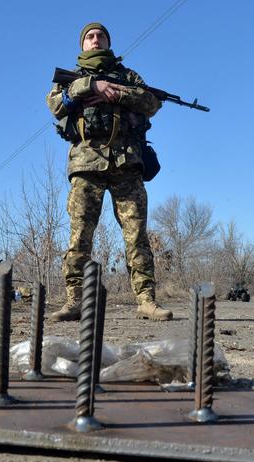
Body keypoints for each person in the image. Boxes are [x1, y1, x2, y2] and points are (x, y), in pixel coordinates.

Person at [46, 22, 173, 322]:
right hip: (85, 163)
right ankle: (74, 301)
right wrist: (92, 86)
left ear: (108, 41)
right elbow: (55, 105)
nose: (95, 39)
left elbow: (152, 102)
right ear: (83, 44)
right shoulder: (72, 77)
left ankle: (146, 300)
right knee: (80, 236)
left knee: (137, 235)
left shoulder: (127, 76)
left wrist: (117, 94)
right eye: (89, 37)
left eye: (100, 35)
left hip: (126, 163)